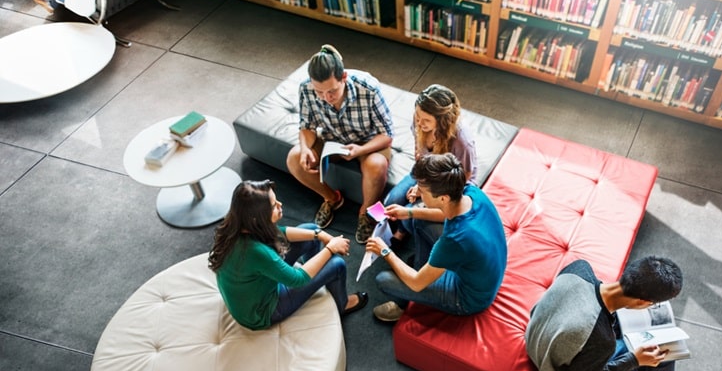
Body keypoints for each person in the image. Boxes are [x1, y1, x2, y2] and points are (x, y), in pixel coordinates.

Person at [525, 257, 703, 371]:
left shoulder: (579, 268)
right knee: (662, 350)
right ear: (642, 302)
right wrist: (634, 360)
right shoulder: (601, 339)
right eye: (653, 304)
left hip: (535, 334)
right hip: (553, 368)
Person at [208, 180, 368, 330]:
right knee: (337, 265)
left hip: (255, 290)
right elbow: (297, 279)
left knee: (311, 229)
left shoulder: (238, 226)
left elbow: (279, 232)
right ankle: (342, 304)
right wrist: (330, 249)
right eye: (274, 206)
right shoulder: (256, 251)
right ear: (258, 217)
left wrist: (319, 234)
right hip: (261, 312)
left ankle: (318, 275)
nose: (280, 205)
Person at [365, 153, 507, 322]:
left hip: (469, 297)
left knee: (384, 280)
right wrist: (408, 212)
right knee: (418, 220)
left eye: (423, 190)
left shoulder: (454, 240)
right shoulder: (472, 192)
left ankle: (407, 300)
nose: (418, 192)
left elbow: (416, 283)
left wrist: (385, 251)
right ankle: (424, 268)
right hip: (485, 271)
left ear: (443, 198)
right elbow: (446, 214)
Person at [286, 44, 394, 244]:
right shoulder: (306, 88)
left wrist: (361, 150)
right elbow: (307, 126)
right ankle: (332, 198)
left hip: (368, 142)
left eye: (332, 91)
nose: (326, 98)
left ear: (344, 77)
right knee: (294, 158)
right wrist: (305, 149)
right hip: (332, 138)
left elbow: (387, 135)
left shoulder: (369, 89)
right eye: (320, 92)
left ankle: (366, 213)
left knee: (376, 165)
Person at [383, 84, 477, 251]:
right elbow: (419, 154)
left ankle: (403, 233)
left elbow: (465, 175)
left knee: (411, 217)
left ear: (442, 121)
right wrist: (420, 184)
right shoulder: (419, 121)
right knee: (391, 201)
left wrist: (424, 189)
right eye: (418, 116)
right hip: (425, 171)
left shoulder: (462, 140)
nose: (419, 123)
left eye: (426, 120)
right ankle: (401, 232)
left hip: (450, 182)